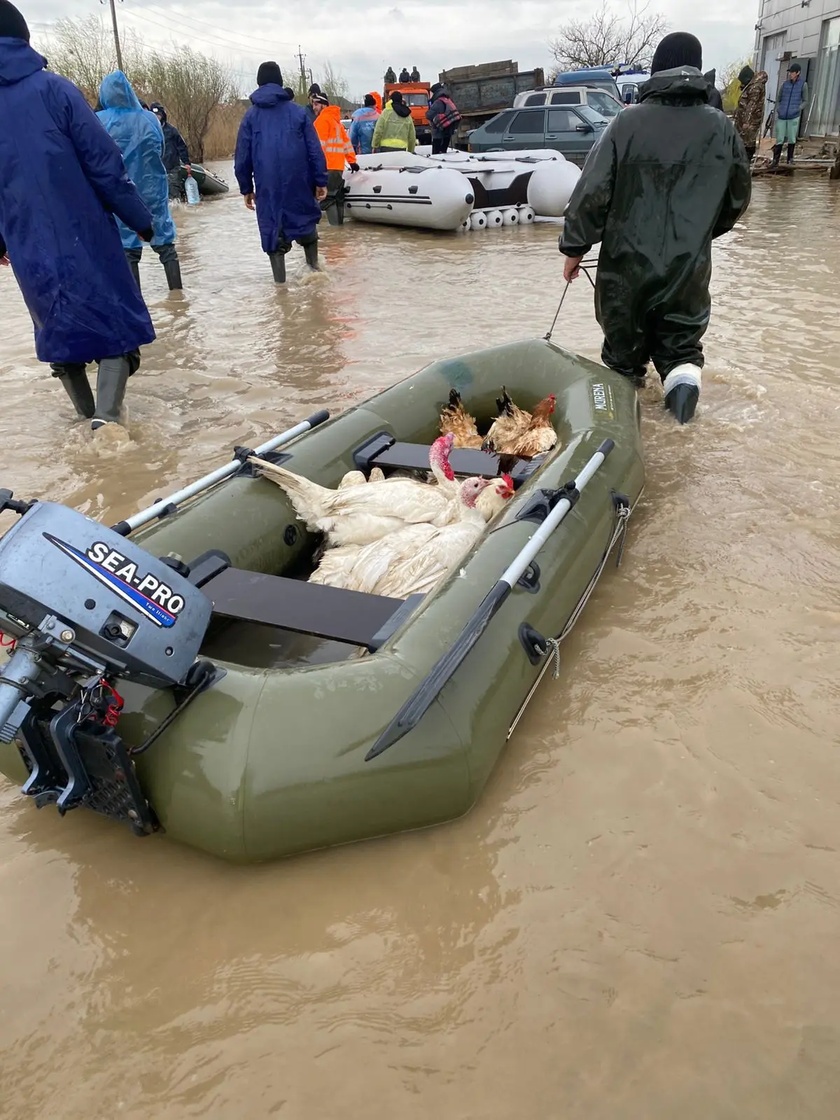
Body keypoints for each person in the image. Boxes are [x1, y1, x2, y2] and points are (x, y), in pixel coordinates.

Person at [559, 31, 751, 424]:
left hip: (624, 270)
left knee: (621, 359)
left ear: (656, 69)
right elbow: (737, 198)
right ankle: (681, 433)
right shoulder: (721, 127)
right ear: (698, 70)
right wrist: (698, 233)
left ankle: (625, 443)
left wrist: (574, 248)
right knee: (681, 352)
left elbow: (591, 191)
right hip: (688, 271)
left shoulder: (625, 123)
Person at [0, 0, 155, 429]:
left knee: (56, 330)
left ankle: (86, 423)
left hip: (25, 241)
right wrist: (140, 219)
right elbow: (104, 165)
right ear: (24, 38)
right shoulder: (55, 90)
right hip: (83, 232)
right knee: (115, 325)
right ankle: (106, 425)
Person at [234, 62, 328, 283]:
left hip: (267, 186)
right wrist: (320, 180)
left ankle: (280, 290)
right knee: (305, 223)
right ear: (280, 82)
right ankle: (315, 273)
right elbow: (315, 150)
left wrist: (246, 188)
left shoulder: (250, 117)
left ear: (258, 83)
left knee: (274, 233)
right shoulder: (298, 113)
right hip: (299, 181)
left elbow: (242, 157)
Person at [97, 71, 182, 293]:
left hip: (121, 191)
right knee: (165, 243)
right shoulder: (150, 119)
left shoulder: (100, 121)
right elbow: (161, 149)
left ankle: (137, 301)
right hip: (153, 187)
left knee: (128, 248)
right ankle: (177, 294)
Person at [312, 94, 359, 225]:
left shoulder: (321, 121)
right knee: (337, 198)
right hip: (338, 167)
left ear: (324, 105)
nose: (314, 107)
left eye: (316, 104)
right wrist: (352, 161)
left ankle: (333, 230)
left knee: (328, 199)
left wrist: (314, 167)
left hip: (326, 167)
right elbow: (346, 144)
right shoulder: (336, 122)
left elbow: (318, 148)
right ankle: (339, 230)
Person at [773, 62, 808, 166]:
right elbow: (778, 99)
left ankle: (790, 159)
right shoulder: (785, 85)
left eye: (792, 72)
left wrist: (798, 109)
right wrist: (779, 109)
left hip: (794, 116)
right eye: (790, 72)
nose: (790, 74)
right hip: (782, 115)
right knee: (779, 138)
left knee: (792, 137)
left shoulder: (803, 84)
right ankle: (775, 160)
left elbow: (806, 100)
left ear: (798, 73)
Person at [734, 66, 768, 162]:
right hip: (744, 120)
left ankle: (745, 163)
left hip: (750, 122)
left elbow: (751, 105)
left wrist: (746, 121)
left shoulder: (755, 87)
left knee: (748, 143)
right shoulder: (751, 85)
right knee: (742, 142)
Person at [149, 102, 190, 174]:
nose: (156, 117)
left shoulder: (172, 130)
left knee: (173, 183)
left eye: (158, 115)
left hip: (171, 168)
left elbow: (182, 146)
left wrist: (186, 162)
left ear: (162, 116)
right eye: (153, 115)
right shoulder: (147, 131)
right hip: (154, 170)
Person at [427, 83, 461, 154]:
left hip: (438, 133)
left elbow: (429, 115)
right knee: (443, 152)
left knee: (437, 155)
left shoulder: (438, 102)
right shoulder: (447, 99)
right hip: (447, 130)